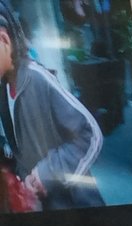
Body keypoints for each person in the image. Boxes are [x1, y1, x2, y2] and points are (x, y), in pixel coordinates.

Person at [0, 0, 105, 210]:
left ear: (3, 40)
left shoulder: (36, 78)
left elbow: (90, 134)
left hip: (76, 208)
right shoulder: (3, 90)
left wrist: (46, 173)